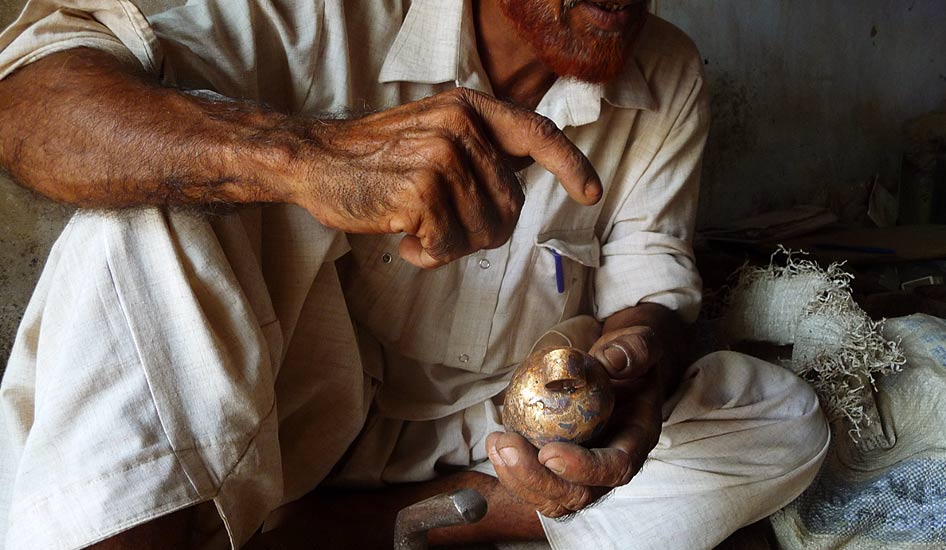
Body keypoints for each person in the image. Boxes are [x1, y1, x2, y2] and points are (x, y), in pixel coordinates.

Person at [0, 0, 830, 548]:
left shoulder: (667, 68)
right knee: (142, 217)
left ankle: (343, 532)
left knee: (778, 417)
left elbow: (653, 279)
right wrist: (305, 155)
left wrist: (638, 360)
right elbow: (30, 100)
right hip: (269, 423)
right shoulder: (318, 15)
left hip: (488, 439)